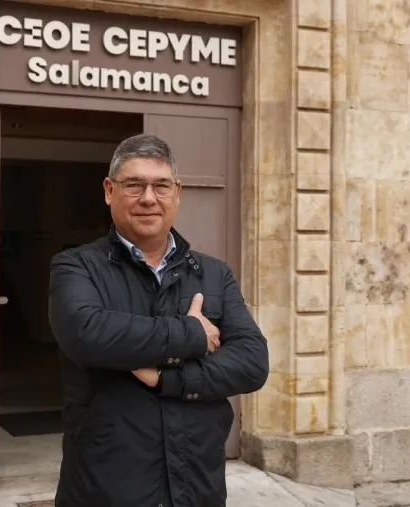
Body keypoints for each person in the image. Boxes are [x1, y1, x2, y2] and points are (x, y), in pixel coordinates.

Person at [48, 133, 269, 507]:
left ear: (176, 193)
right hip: (106, 489)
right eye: (134, 185)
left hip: (197, 487)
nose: (148, 198)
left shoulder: (214, 274)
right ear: (109, 191)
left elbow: (253, 363)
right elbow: (87, 333)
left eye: (161, 185)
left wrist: (170, 378)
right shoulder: (75, 266)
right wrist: (192, 333)